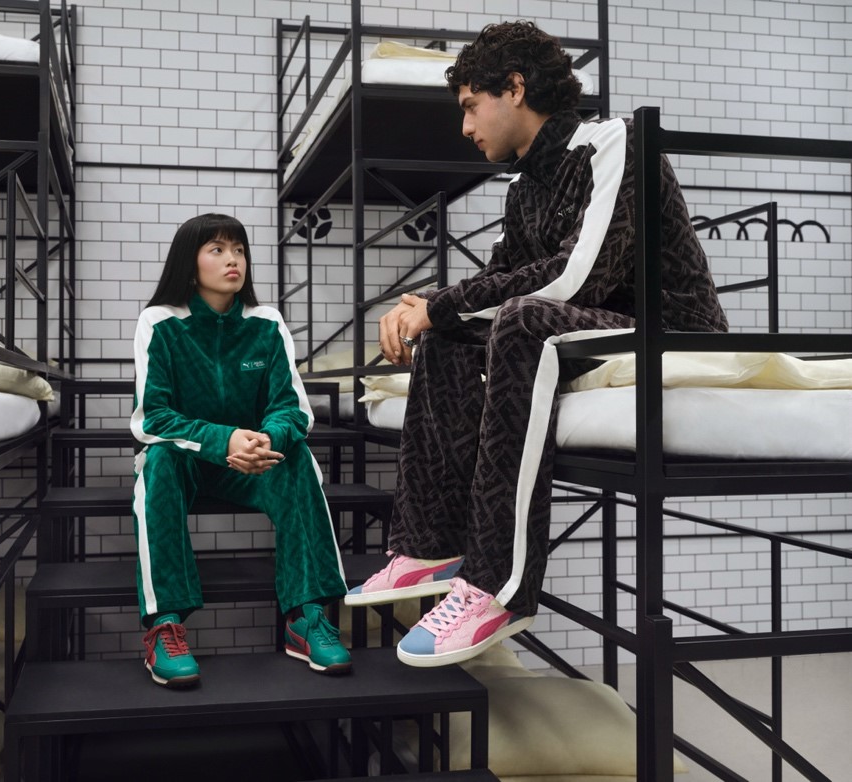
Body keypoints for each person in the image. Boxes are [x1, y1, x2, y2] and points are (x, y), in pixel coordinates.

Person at [345, 21, 728, 667]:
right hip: (592, 326)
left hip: (670, 327)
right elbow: (499, 281)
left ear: (515, 88)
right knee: (450, 338)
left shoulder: (614, 142)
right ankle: (429, 545)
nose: (465, 126)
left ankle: (499, 586)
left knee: (521, 321)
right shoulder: (525, 184)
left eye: (471, 105)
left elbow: (579, 277)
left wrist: (438, 306)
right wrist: (430, 308)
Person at [130, 213, 352, 687]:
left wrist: (267, 439)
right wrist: (223, 438)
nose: (233, 259)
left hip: (251, 462)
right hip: (189, 459)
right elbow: (153, 417)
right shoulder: (160, 322)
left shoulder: (266, 324)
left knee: (298, 458)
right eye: (217, 249)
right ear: (189, 264)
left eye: (239, 250)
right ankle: (164, 624)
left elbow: (292, 408)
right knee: (158, 461)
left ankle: (307, 618)